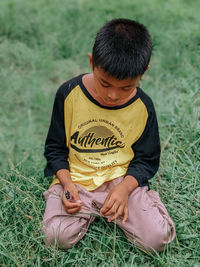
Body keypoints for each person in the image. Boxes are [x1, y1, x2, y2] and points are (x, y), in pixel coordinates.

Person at [42, 18, 175, 253]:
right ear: (92, 62)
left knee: (156, 239)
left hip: (121, 181)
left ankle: (134, 202)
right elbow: (55, 149)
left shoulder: (144, 107)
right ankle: (77, 207)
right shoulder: (69, 93)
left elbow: (146, 160)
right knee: (56, 237)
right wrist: (67, 184)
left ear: (143, 73)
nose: (113, 95)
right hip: (78, 179)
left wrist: (124, 190)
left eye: (126, 88)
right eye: (104, 83)